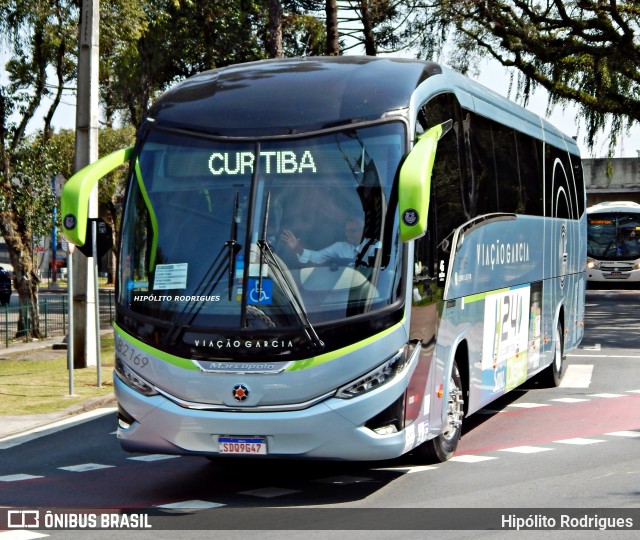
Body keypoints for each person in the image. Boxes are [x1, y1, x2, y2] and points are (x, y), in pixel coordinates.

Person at [280, 218, 379, 265]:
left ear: (363, 230)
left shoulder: (375, 246)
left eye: (352, 231)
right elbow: (318, 257)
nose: (347, 234)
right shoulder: (340, 247)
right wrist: (297, 248)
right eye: (346, 231)